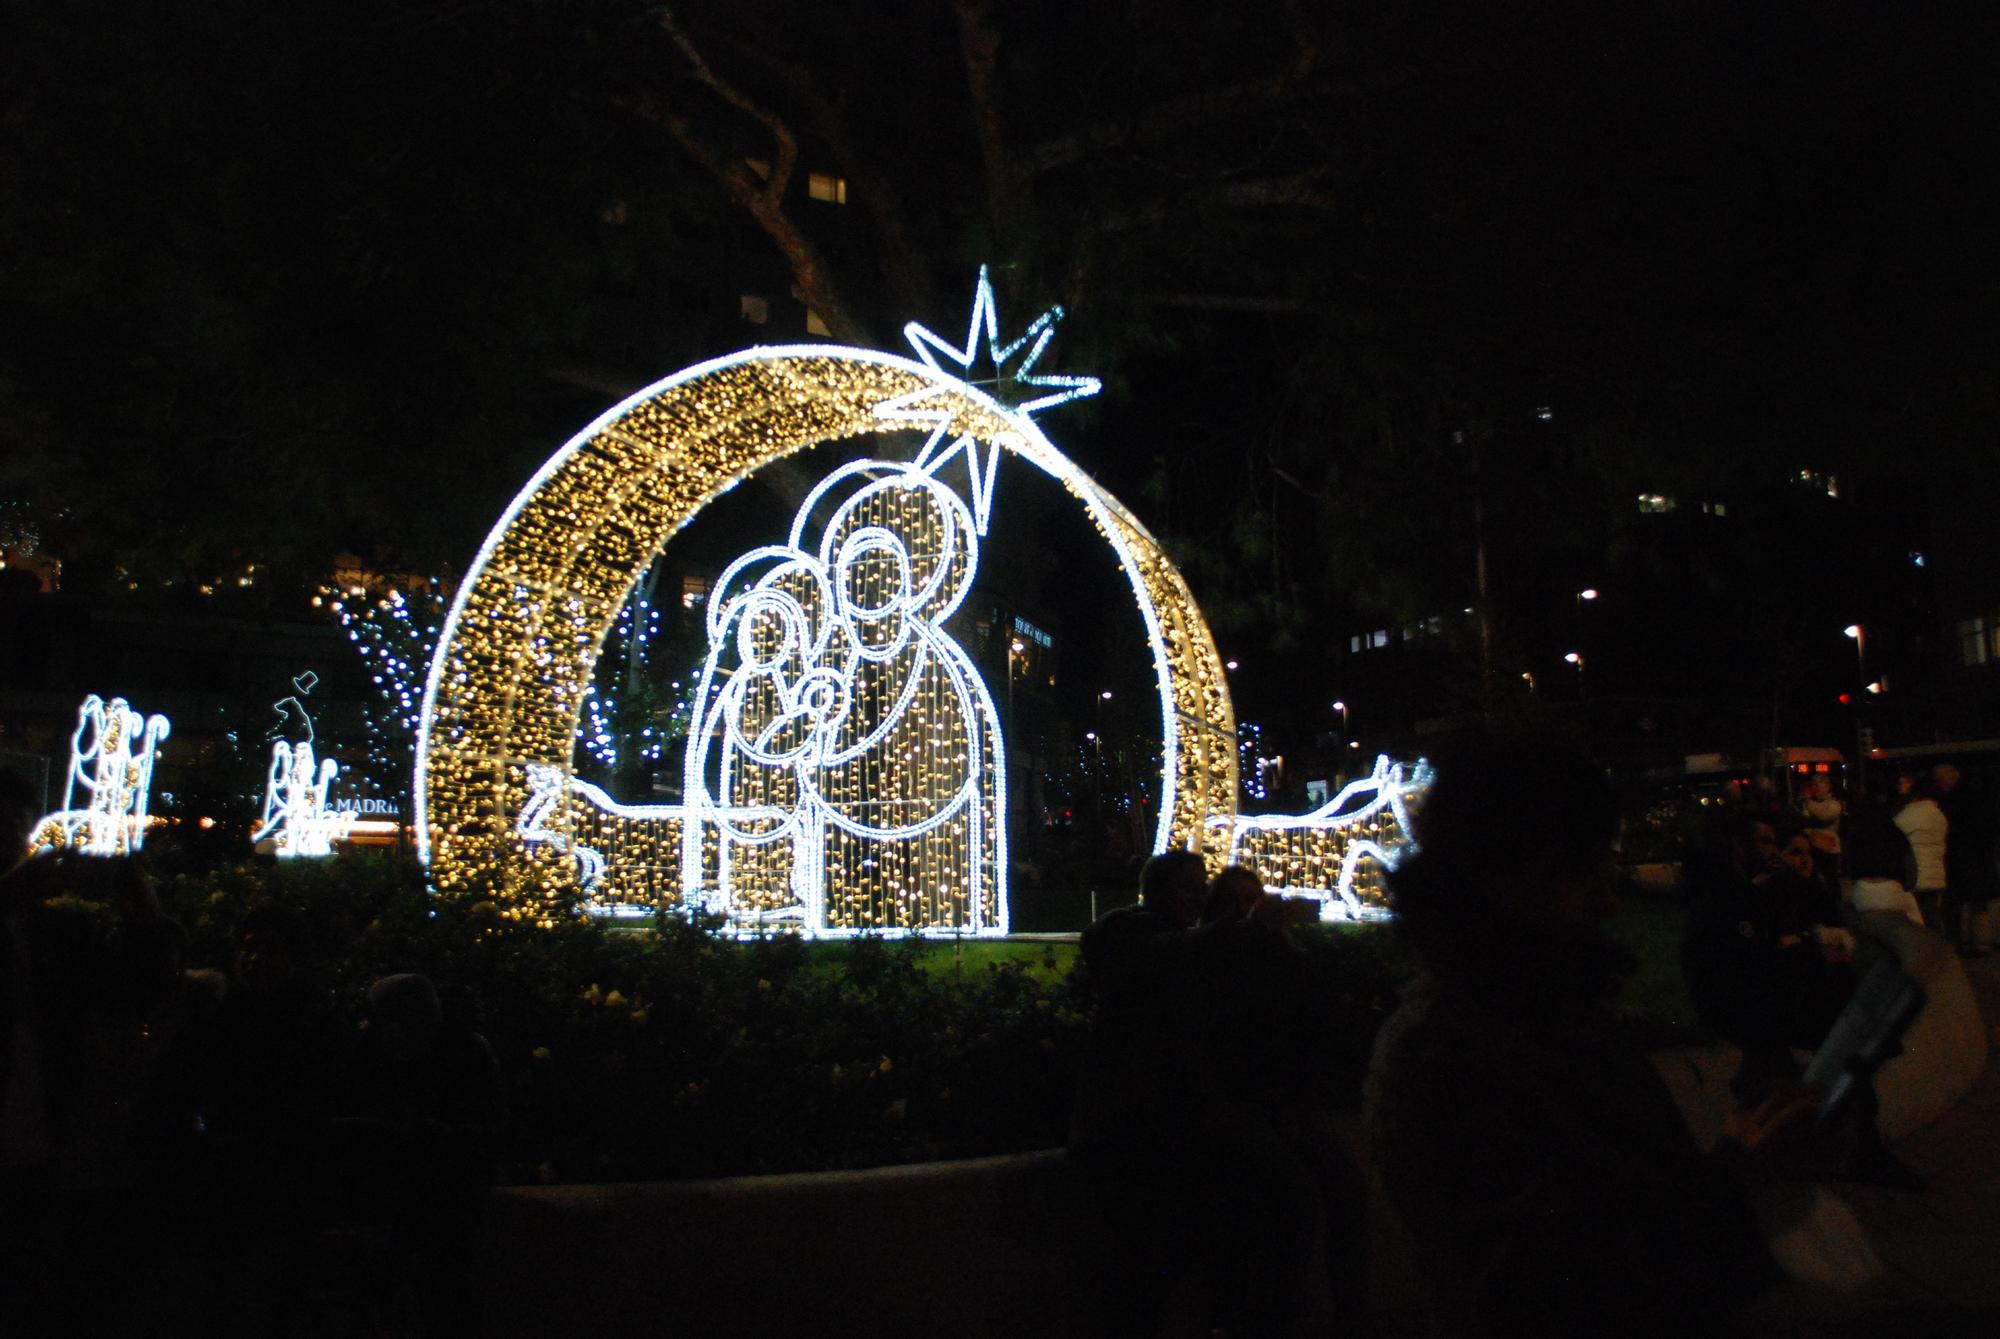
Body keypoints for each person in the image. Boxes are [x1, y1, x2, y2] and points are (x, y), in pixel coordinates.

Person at [1366, 731, 1820, 1337]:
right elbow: (1552, 1291)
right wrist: (1729, 1180)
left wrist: (1738, 1163)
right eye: (1581, 871)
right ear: (1504, 878)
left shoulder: (1544, 1009)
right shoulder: (1444, 1056)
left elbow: (1621, 1207)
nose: (1609, 900)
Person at [1070, 851, 1359, 1336]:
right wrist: (1248, 928)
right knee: (1159, 1266)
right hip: (1138, 1134)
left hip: (1184, 1126)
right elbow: (1168, 968)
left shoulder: (1200, 951)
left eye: (1202, 886)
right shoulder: (1135, 938)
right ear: (1156, 893)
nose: (1197, 895)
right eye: (1188, 887)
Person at [1933, 763, 1996, 957]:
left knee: (1955, 903)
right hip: (1979, 856)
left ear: (1948, 778)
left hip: (1961, 857)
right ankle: (1982, 943)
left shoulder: (1951, 801)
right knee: (1978, 903)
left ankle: (1959, 942)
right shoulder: (1978, 795)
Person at [1892, 774, 1950, 933]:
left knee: (1917, 917)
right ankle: (1940, 947)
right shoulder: (1938, 813)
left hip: (1916, 872)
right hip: (1935, 872)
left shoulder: (1913, 812)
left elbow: (1893, 831)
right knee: (1932, 913)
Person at [1797, 773, 1845, 860]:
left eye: (1816, 785)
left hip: (1828, 847)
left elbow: (1823, 815)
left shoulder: (1834, 804)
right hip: (1810, 846)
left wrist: (1808, 802)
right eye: (1812, 785)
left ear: (1827, 787)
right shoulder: (1807, 803)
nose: (1813, 788)